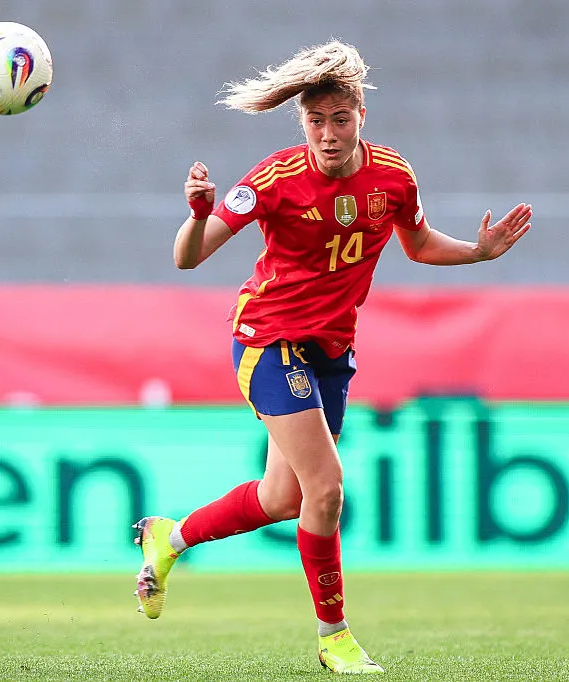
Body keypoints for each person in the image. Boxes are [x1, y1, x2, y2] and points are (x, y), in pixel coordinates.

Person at [133, 40, 532, 675]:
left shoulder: (394, 178)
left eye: (339, 119)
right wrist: (198, 214)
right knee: (327, 489)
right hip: (266, 338)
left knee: (283, 498)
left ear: (360, 117)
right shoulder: (274, 179)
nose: (327, 133)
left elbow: (420, 244)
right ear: (302, 122)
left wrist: (478, 253)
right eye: (315, 120)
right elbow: (188, 256)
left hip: (330, 349)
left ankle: (170, 538)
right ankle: (334, 637)